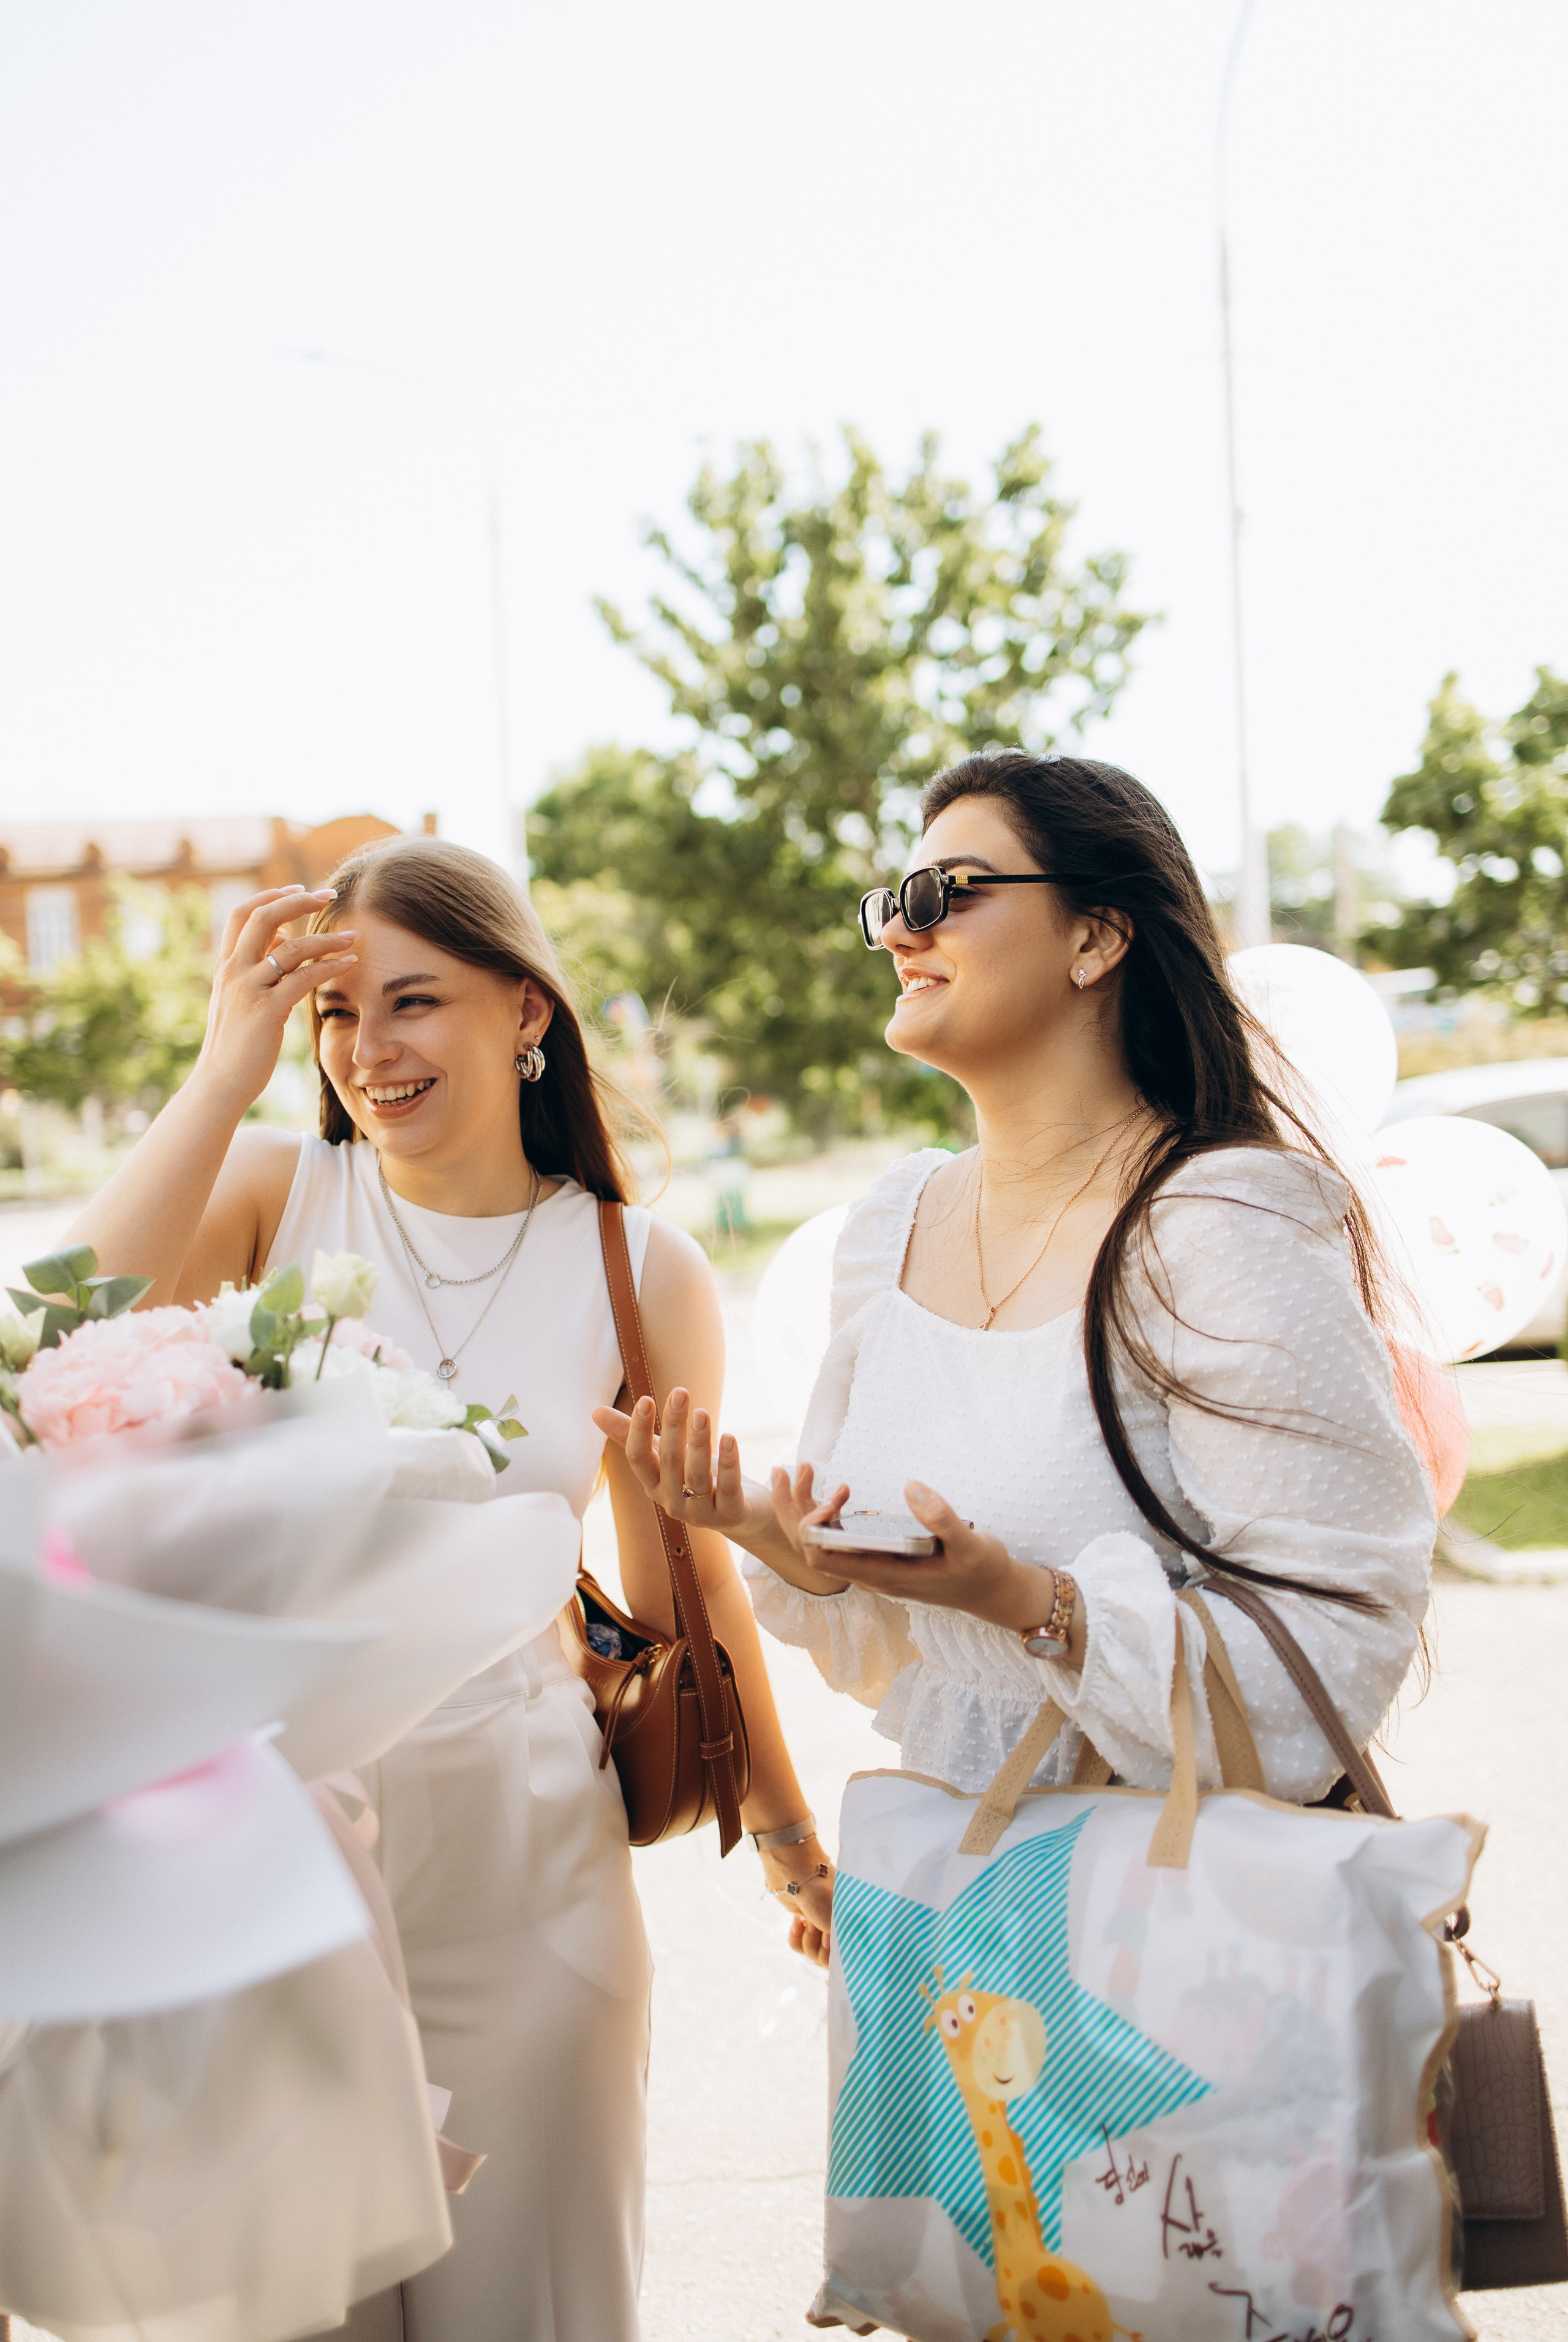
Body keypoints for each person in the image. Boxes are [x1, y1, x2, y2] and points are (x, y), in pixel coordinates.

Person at [74, 834, 832, 2342]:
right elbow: (62, 1338)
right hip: (274, 1875)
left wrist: (794, 1846)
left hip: (528, 1866)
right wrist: (228, 1062)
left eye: (411, 1003)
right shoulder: (268, 1198)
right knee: (288, 2312)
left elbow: (681, 1596)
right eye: (335, 1016)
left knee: (532, 2309)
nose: (370, 1051)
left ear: (524, 1010)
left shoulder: (637, 1267)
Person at [600, 750, 1434, 1903]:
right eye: (893, 903)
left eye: (947, 895)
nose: (901, 933)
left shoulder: (1220, 1221)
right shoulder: (890, 1228)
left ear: (1096, 939)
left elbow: (1339, 1653)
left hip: (1183, 1931)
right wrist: (766, 1530)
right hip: (961, 1920)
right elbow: (909, 1656)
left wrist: (1024, 1598)